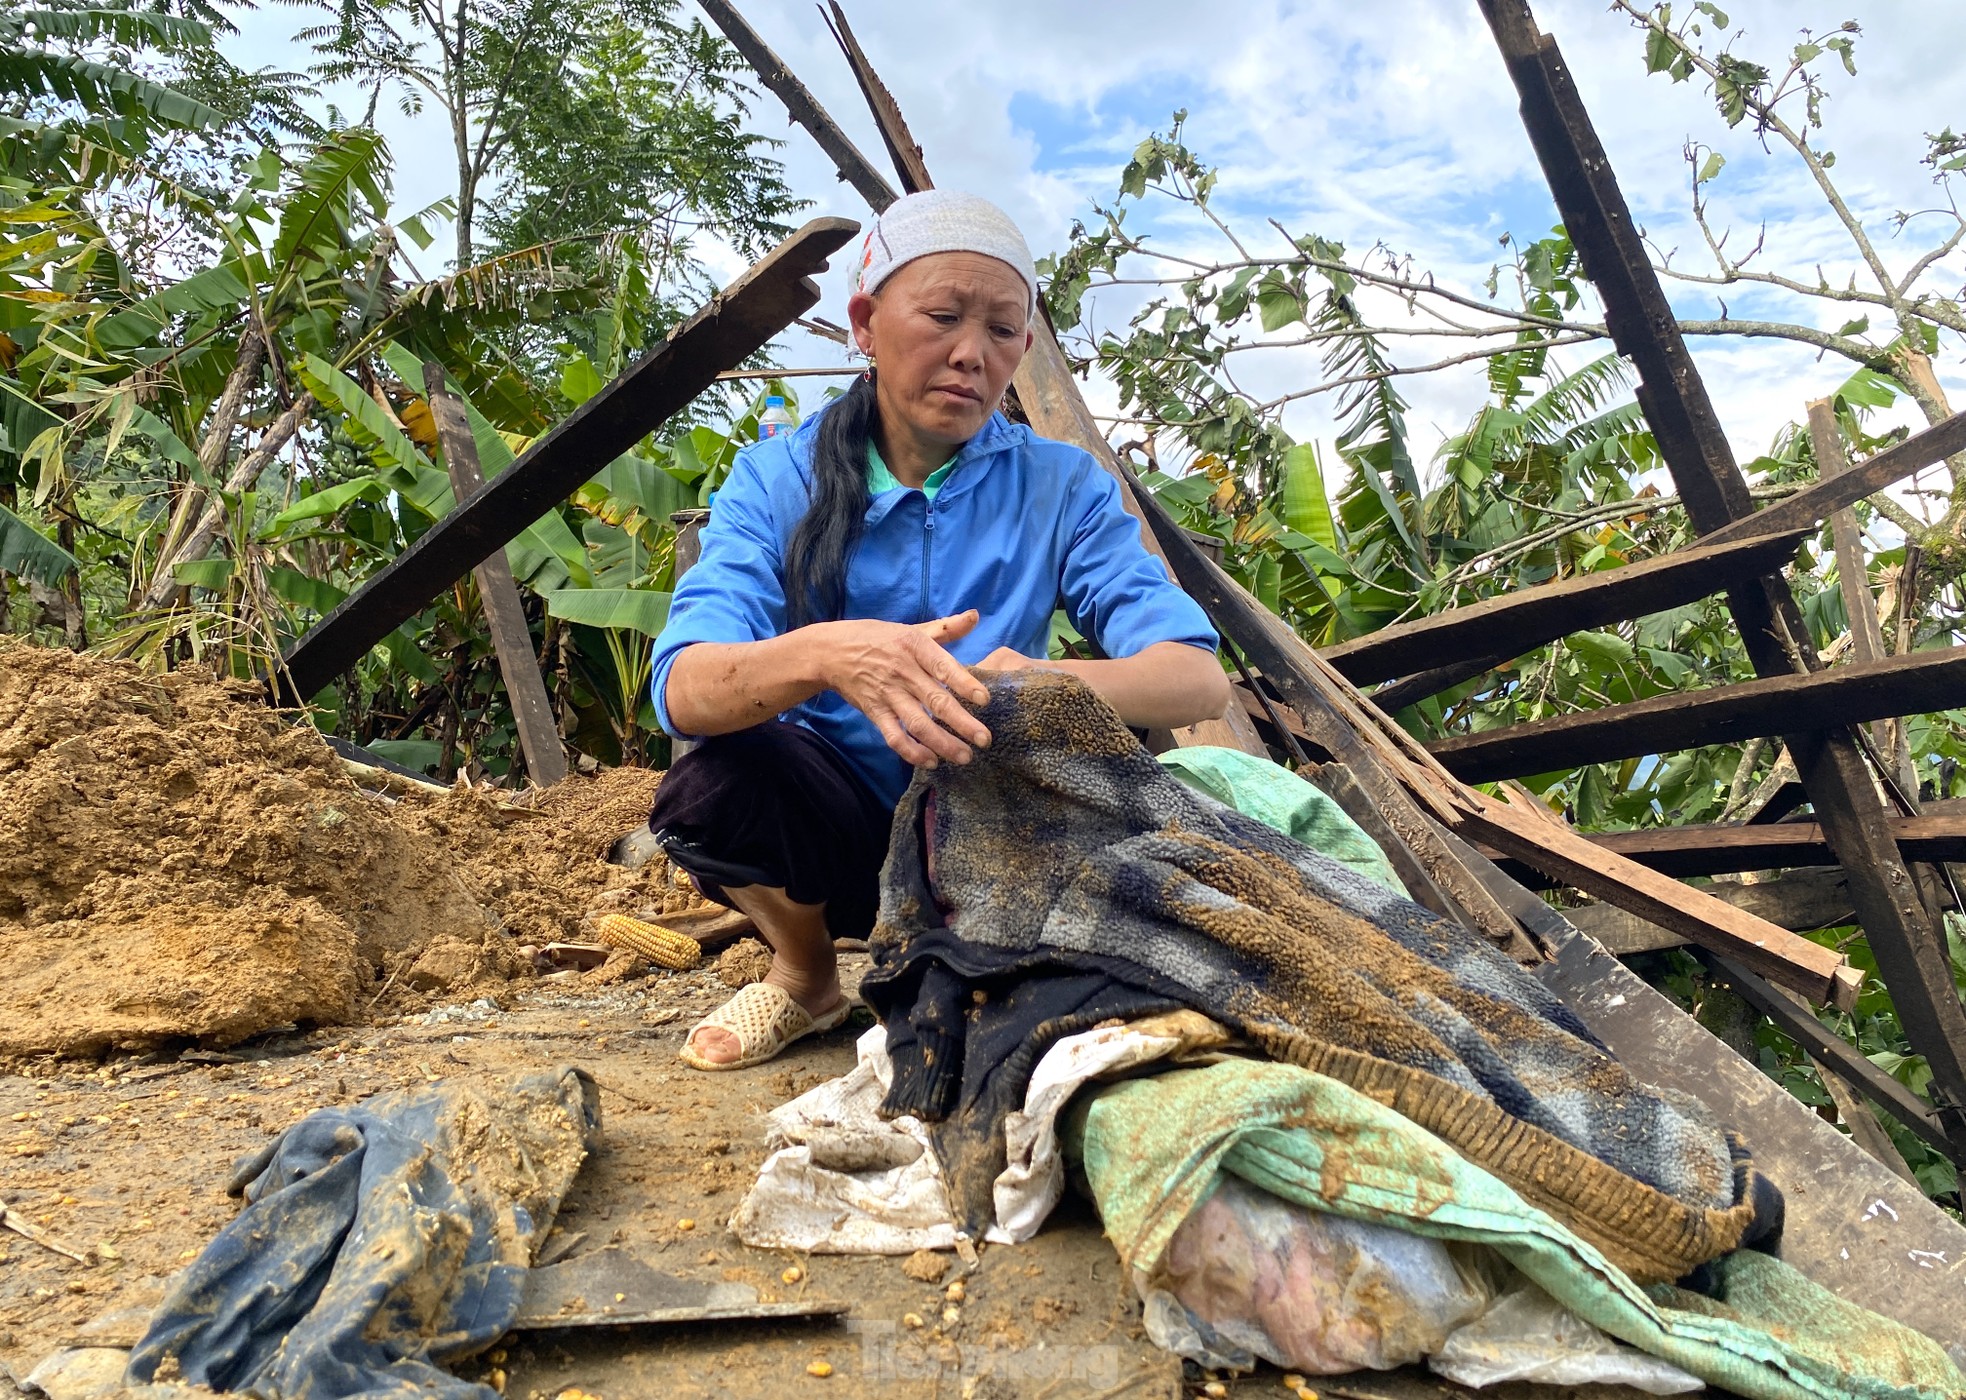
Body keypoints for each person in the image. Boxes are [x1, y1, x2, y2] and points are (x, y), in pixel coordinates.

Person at [647, 190, 1231, 1070]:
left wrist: (1044, 683)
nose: (971, 354)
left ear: (1024, 351)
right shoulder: (775, 478)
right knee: (712, 787)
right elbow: (685, 689)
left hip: (1001, 827)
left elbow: (1194, 677)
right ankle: (806, 975)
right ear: (865, 324)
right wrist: (832, 653)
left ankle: (969, 961)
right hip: (834, 828)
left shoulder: (1062, 486)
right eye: (944, 316)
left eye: (1002, 330)